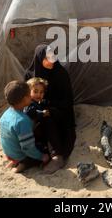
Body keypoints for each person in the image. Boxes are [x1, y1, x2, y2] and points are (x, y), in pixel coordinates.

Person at [24, 44, 76, 174]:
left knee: (47, 117)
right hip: (35, 110)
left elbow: (68, 102)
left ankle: (57, 155)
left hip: (58, 110)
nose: (52, 60)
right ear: (39, 58)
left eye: (53, 56)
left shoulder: (60, 73)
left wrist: (47, 104)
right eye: (47, 58)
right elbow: (25, 98)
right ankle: (28, 156)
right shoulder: (30, 75)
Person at [0, 80, 50, 174]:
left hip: (8, 153)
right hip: (21, 155)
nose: (31, 96)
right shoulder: (22, 120)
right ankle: (22, 165)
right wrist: (41, 156)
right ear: (24, 98)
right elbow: (27, 147)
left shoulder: (6, 114)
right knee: (44, 151)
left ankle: (14, 161)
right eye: (28, 94)